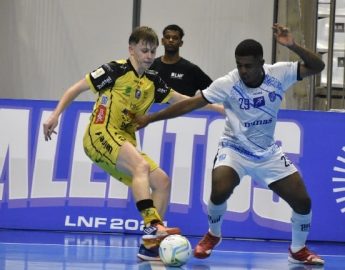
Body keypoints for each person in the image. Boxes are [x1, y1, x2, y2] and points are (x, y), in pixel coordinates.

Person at [135, 23, 325, 265]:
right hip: (234, 148)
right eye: (239, 65)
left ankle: (298, 249)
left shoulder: (280, 73)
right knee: (220, 187)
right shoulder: (228, 82)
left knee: (303, 201)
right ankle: (213, 234)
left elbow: (318, 67)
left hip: (267, 153)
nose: (243, 71)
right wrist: (150, 118)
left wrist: (292, 45)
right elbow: (190, 103)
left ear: (261, 62)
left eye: (248, 66)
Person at [42, 26, 213, 262]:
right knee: (140, 167)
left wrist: (221, 106)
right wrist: (55, 115)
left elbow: (183, 100)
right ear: (131, 49)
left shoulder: (153, 80)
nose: (149, 56)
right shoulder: (115, 70)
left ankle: (150, 247)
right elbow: (76, 88)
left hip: (124, 140)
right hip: (100, 133)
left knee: (162, 181)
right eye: (144, 50)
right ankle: (153, 225)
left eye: (153, 51)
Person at [150, 24, 212, 96]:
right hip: (154, 107)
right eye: (167, 37)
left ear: (181, 43)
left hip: (184, 107)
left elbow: (212, 90)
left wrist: (198, 104)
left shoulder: (191, 69)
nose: (170, 40)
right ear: (162, 41)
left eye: (175, 38)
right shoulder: (151, 65)